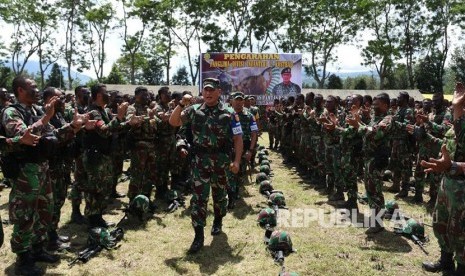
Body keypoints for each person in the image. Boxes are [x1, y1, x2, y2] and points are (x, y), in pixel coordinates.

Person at [2, 75, 88, 275]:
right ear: (20, 90)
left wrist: (74, 126)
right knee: (25, 215)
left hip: (42, 169)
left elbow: (53, 136)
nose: (38, 90)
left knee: (44, 211)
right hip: (25, 171)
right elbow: (26, 137)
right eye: (32, 87)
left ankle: (38, 248)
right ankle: (23, 260)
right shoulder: (12, 112)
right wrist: (45, 118)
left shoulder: (37, 110)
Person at [169, 77, 243, 253]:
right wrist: (181, 104)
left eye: (212, 90)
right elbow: (173, 122)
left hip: (221, 161)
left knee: (219, 196)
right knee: (198, 199)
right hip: (199, 161)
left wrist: (237, 160)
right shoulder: (193, 110)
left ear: (219, 92)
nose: (208, 93)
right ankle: (198, 235)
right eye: (206, 90)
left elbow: (238, 138)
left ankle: (218, 220)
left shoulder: (230, 113)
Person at [420, 82, 465, 274]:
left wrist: (454, 166)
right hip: (447, 185)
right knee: (441, 225)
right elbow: (447, 145)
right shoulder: (457, 124)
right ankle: (445, 263)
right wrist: (429, 139)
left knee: (461, 233)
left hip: (462, 190)